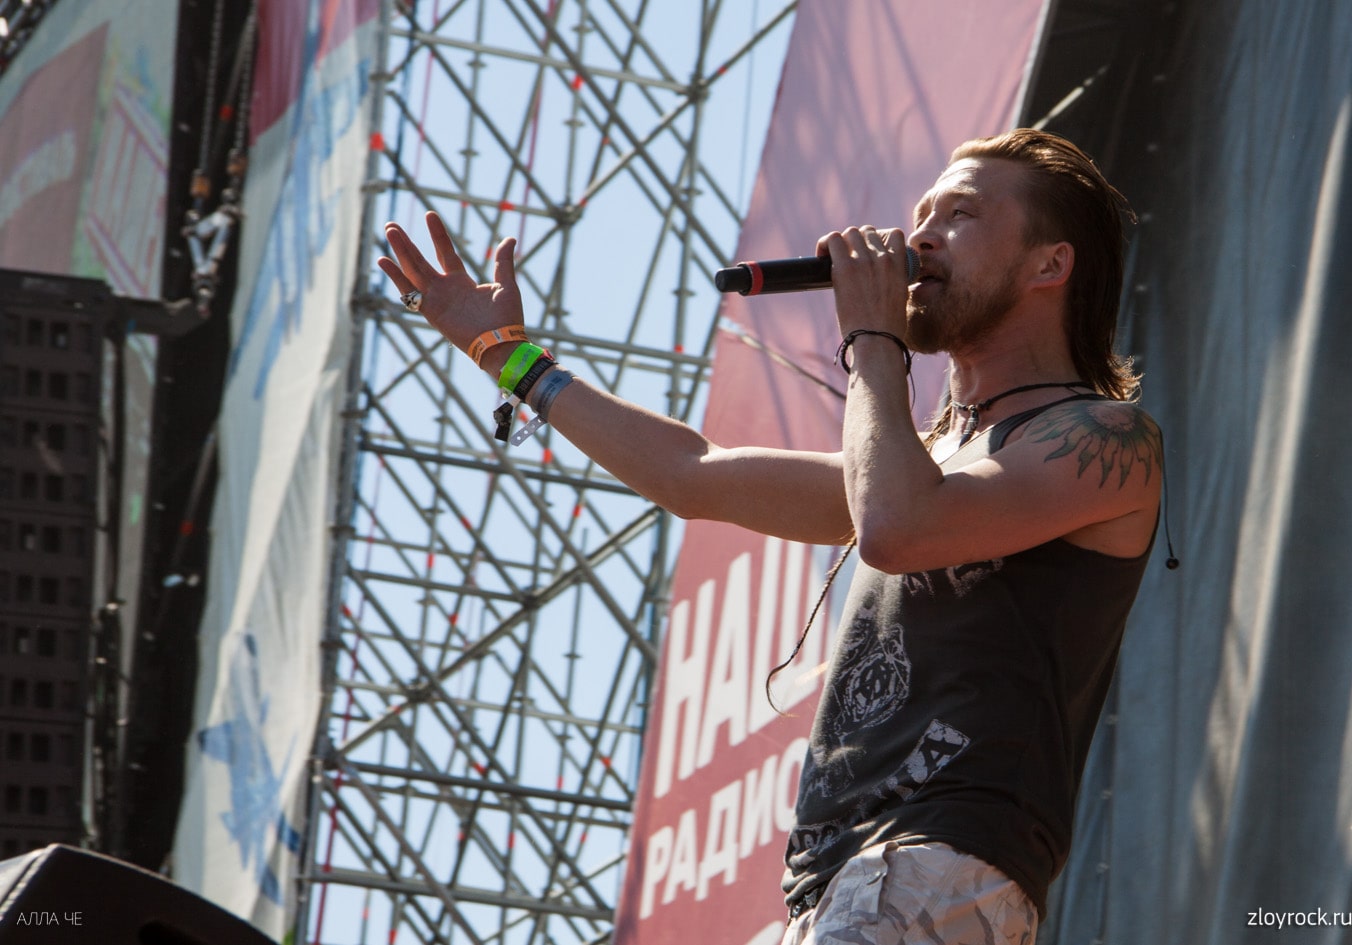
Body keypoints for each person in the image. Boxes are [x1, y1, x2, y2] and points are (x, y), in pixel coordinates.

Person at [378, 127, 1163, 945]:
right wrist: (508, 357)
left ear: (1048, 264)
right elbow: (692, 473)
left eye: (959, 215)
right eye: (922, 212)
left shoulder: (1104, 438)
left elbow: (896, 529)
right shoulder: (925, 462)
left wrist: (872, 339)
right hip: (833, 883)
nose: (920, 235)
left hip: (935, 859)